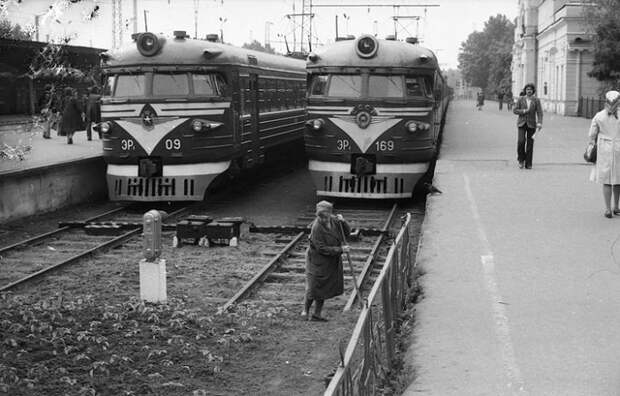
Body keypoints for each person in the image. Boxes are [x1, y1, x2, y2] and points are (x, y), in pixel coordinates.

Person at [303, 200, 350, 322]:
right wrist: (340, 249)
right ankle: (305, 311)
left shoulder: (335, 220)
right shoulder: (316, 227)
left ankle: (317, 315)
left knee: (323, 287)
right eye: (320, 217)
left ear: (330, 214)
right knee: (314, 286)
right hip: (317, 260)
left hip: (330, 261)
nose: (323, 220)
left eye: (325, 217)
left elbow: (347, 233)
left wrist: (343, 222)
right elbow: (321, 248)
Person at [588, 90, 620, 218]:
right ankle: (616, 207)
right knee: (618, 178)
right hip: (619, 147)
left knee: (606, 179)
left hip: (604, 148)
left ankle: (607, 209)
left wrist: (591, 144)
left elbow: (592, 134)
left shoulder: (599, 115)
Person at [513, 83, 543, 169]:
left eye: (530, 89)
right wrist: (523, 111)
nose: (529, 91)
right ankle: (521, 160)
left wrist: (539, 123)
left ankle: (528, 163)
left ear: (533, 91)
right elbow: (514, 110)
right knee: (521, 142)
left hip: (532, 125)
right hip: (521, 123)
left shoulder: (536, 100)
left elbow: (540, 112)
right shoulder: (521, 99)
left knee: (530, 144)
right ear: (525, 90)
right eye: (527, 89)